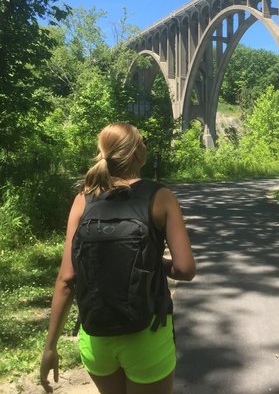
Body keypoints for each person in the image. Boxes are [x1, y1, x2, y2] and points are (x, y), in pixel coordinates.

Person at [40, 122, 196, 394]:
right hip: (147, 336)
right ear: (137, 153)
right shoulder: (161, 197)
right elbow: (184, 269)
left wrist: (50, 347)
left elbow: (67, 278)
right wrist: (152, 262)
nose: (146, 145)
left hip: (96, 339)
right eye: (143, 141)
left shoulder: (83, 199)